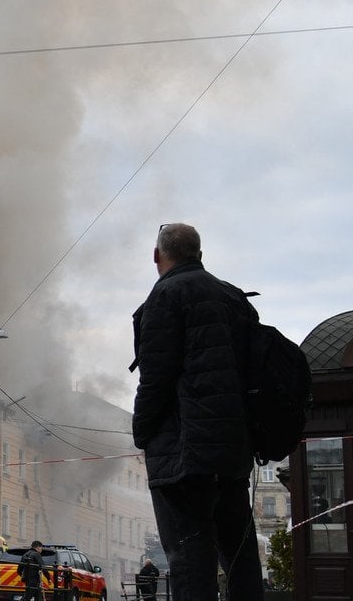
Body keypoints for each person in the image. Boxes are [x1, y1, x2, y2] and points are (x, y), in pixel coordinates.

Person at [131, 223, 263, 601]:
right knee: (240, 559)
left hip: (183, 457)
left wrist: (142, 433)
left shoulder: (166, 295)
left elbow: (155, 379)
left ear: (157, 256)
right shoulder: (234, 299)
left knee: (191, 560)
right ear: (199, 255)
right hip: (232, 456)